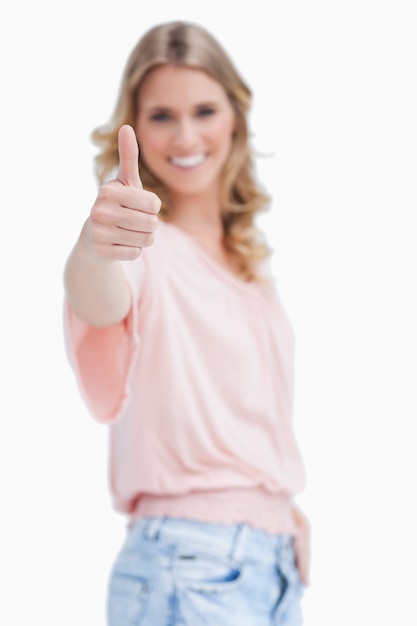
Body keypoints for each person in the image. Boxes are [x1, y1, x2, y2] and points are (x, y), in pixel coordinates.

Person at [63, 20, 311, 626]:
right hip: (190, 567)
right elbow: (98, 302)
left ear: (236, 117)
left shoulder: (250, 268)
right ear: (135, 127)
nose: (186, 135)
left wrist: (281, 509)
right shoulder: (143, 246)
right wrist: (96, 247)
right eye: (161, 116)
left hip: (268, 569)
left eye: (204, 109)